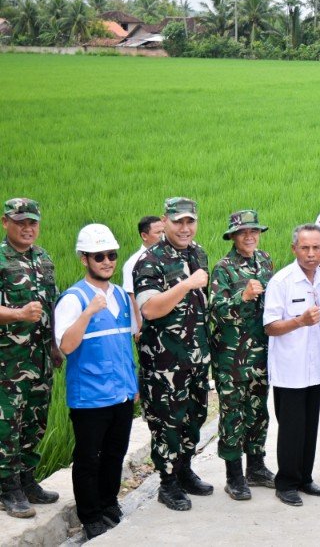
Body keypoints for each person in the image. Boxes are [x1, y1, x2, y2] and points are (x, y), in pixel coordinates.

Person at [54, 224, 138, 539]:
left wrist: (134, 384)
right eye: (99, 256)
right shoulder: (74, 299)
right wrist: (88, 312)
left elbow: (124, 344)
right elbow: (66, 346)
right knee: (89, 459)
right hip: (90, 397)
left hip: (122, 393)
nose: (107, 261)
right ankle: (90, 515)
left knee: (116, 453)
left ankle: (108, 502)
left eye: (111, 255)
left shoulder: (118, 295)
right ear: (84, 259)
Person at [134, 197, 213, 511]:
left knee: (195, 417)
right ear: (165, 221)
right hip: (164, 361)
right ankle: (167, 484)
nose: (184, 227)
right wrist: (187, 284)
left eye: (190, 221)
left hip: (196, 357)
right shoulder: (150, 261)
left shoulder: (198, 252)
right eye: (178, 221)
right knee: (168, 423)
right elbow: (151, 309)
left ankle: (184, 470)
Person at [0, 198, 61, 519]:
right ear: (5, 221)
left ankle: (27, 479)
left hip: (40, 359)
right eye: (20, 221)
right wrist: (17, 313)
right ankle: (7, 489)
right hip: (8, 363)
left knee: (35, 422)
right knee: (6, 424)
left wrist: (54, 346)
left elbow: (51, 307)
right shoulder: (0, 258)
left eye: (32, 222)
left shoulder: (43, 258)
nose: (27, 228)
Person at [262, 224, 320, 507]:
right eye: (305, 248)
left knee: (310, 426)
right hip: (289, 369)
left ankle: (305, 477)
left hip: (314, 367)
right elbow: (270, 326)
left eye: (316, 247)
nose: (311, 253)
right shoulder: (282, 282)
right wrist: (298, 321)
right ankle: (286, 483)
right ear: (294, 249)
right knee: (291, 428)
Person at [209, 210, 275, 501]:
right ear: (233, 236)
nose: (250, 236)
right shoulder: (223, 268)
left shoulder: (266, 260)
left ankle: (256, 466)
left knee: (258, 413)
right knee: (233, 415)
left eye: (254, 231)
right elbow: (215, 311)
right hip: (232, 357)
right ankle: (234, 475)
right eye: (243, 232)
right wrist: (242, 297)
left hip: (262, 354)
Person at [122, 216, 164, 341]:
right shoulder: (134, 262)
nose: (163, 236)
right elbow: (131, 295)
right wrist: (140, 327)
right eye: (158, 233)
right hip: (148, 325)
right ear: (144, 236)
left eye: (164, 232)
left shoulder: (166, 257)